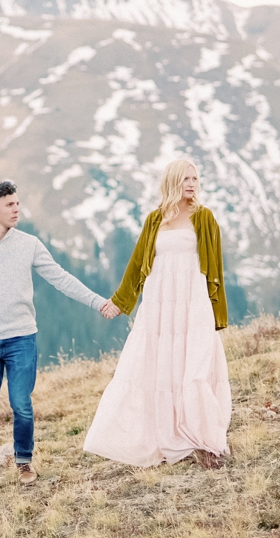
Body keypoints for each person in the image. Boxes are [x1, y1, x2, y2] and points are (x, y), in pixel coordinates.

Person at [0, 180, 109, 497]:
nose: (17, 208)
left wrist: (98, 302)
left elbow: (61, 278)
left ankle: (23, 461)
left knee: (21, 405)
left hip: (21, 338)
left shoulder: (29, 244)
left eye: (18, 203)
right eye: (10, 205)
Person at [82, 159, 234, 469]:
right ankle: (163, 432)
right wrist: (120, 301)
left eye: (195, 178)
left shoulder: (204, 218)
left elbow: (215, 268)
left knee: (194, 369)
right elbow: (138, 265)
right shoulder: (155, 220)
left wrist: (216, 310)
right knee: (161, 367)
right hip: (159, 304)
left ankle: (201, 436)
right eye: (185, 179)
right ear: (173, 182)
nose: (191, 184)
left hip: (192, 302)